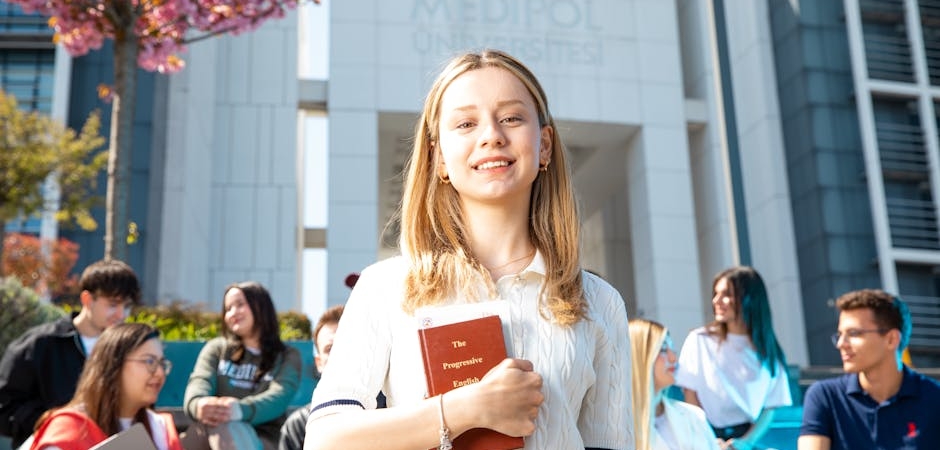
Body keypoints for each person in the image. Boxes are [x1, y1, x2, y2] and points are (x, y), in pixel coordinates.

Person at [304, 49, 632, 450]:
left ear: (544, 145)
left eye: (511, 117)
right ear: (439, 156)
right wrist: (465, 409)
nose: (491, 135)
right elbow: (325, 438)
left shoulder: (599, 302)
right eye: (465, 123)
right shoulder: (384, 288)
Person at [0, 259, 141, 448]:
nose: (121, 314)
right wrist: (57, 419)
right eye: (113, 304)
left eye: (127, 306)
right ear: (87, 299)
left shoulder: (129, 350)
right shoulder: (40, 344)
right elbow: (5, 408)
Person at [798, 289, 940, 449]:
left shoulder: (935, 399)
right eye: (840, 335)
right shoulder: (825, 397)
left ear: (891, 339)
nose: (841, 344)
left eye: (853, 333)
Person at [675, 266, 791, 450]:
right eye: (715, 293)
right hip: (705, 436)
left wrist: (745, 442)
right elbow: (690, 395)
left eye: (727, 294)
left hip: (747, 439)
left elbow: (770, 407)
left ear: (749, 298)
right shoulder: (699, 340)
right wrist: (709, 439)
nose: (717, 301)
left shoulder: (769, 351)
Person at [181, 281, 301, 450]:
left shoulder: (287, 355)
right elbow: (200, 381)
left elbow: (279, 395)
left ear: (260, 306)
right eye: (228, 308)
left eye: (239, 305)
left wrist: (239, 410)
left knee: (224, 426)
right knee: (199, 432)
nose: (232, 313)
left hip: (264, 437)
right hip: (212, 430)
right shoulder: (217, 348)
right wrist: (198, 404)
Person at [29, 322, 183, 450]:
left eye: (162, 363)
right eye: (149, 361)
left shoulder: (160, 429)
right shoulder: (67, 429)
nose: (159, 373)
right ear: (113, 365)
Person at [629, 319, 719, 450]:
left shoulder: (694, 417)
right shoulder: (613, 428)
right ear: (638, 355)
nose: (673, 358)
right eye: (663, 349)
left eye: (672, 349)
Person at [278, 305, 344, 450]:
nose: (339, 353)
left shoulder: (391, 408)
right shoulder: (298, 426)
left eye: (346, 344)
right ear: (319, 363)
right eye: (330, 348)